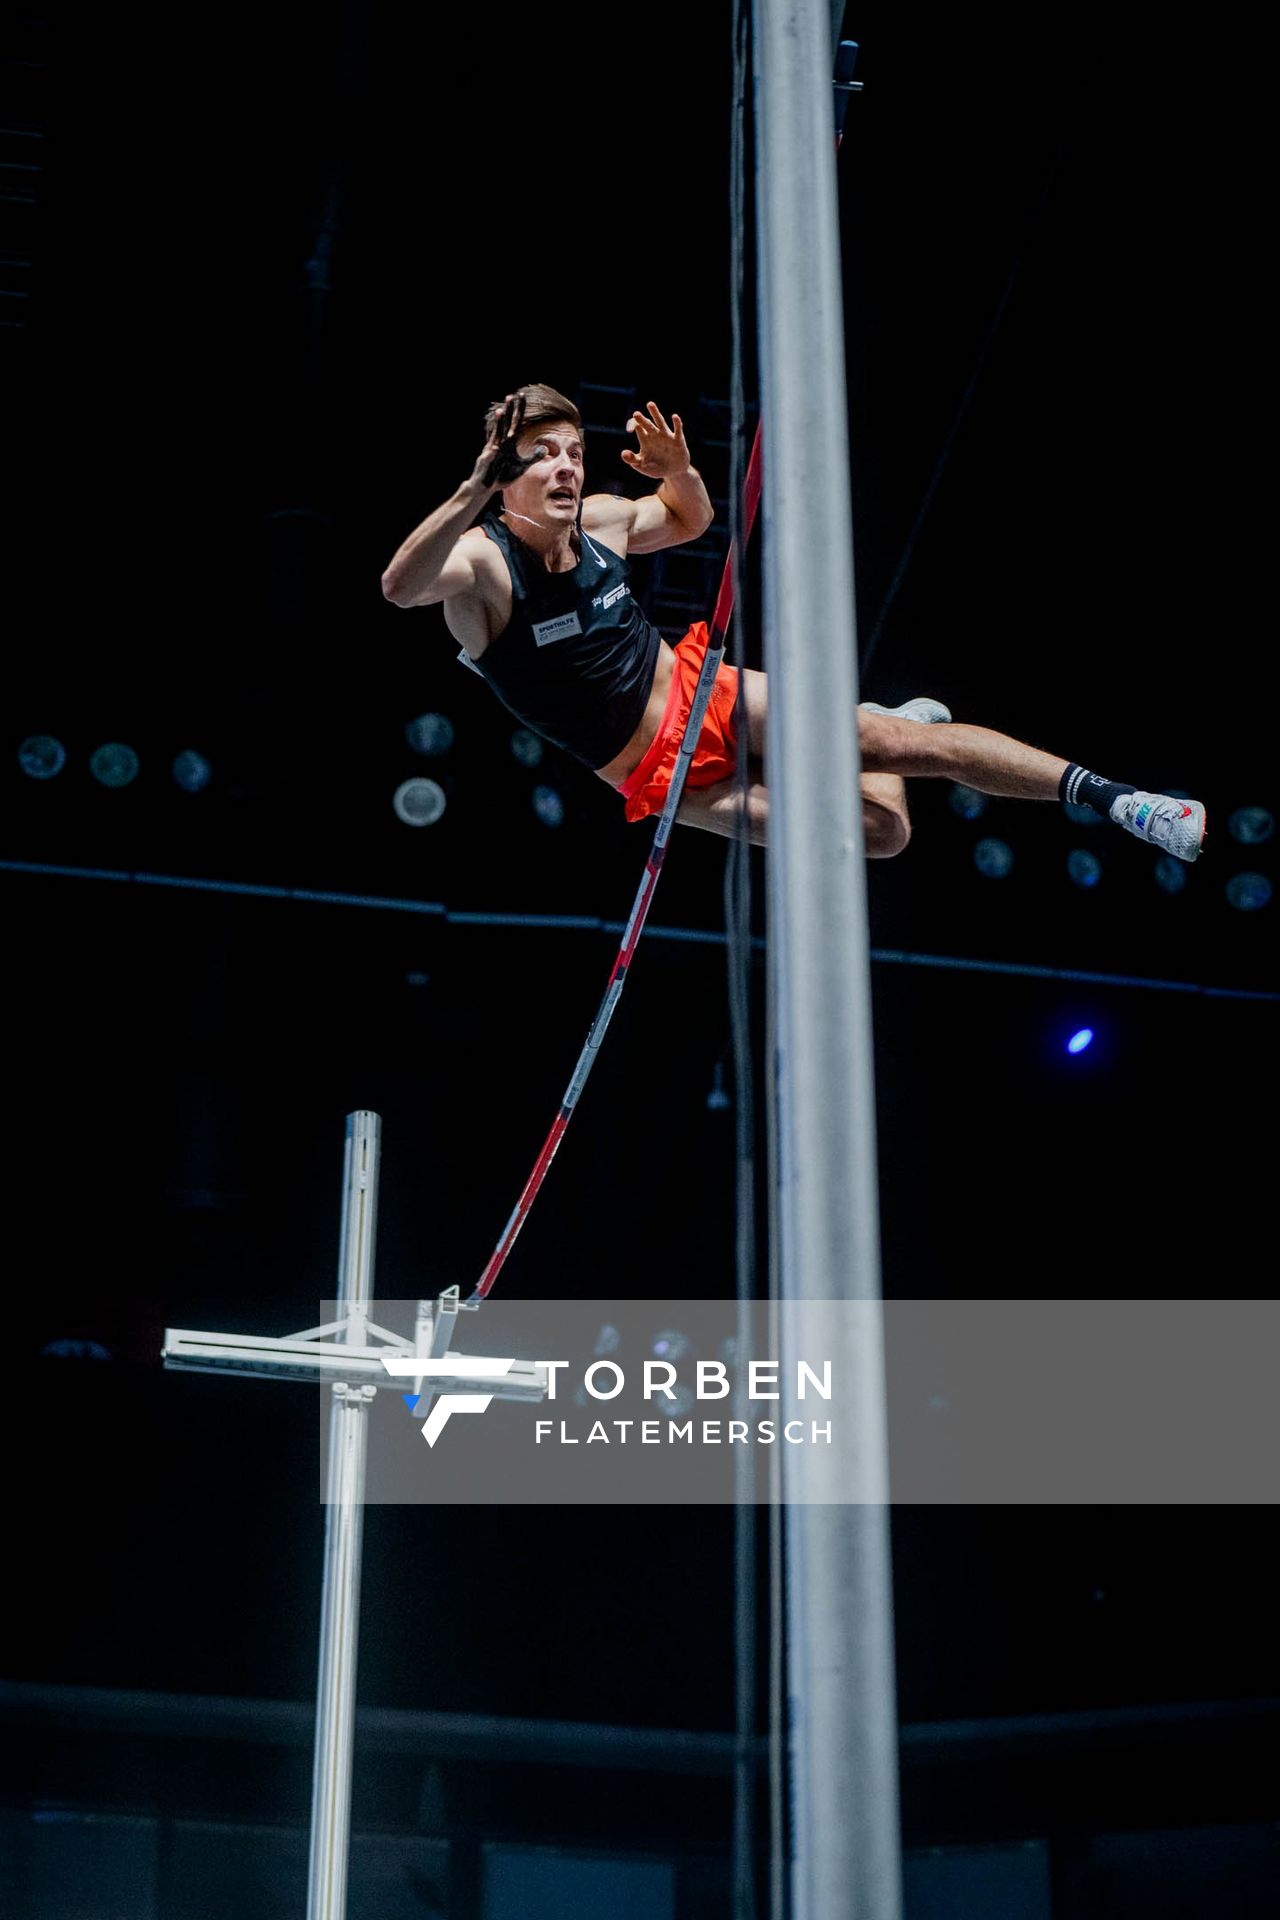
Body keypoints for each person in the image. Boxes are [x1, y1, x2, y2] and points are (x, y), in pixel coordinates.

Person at [381, 384, 1206, 862]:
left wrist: (681, 471)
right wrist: (470, 489)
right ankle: (876, 719)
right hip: (659, 779)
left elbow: (688, 519)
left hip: (708, 694)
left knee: (917, 751)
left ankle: (1125, 802)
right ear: (506, 474)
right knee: (878, 837)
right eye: (540, 456)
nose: (563, 465)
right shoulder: (484, 566)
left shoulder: (600, 522)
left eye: (571, 450)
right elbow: (399, 588)